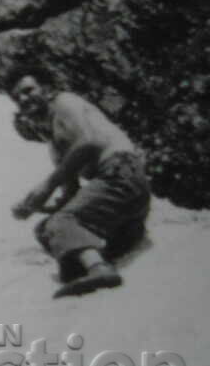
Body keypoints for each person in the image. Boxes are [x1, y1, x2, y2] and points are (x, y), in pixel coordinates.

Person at [8, 66, 151, 298]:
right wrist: (35, 205)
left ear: (46, 88)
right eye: (17, 98)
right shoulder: (54, 142)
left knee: (60, 223)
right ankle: (116, 242)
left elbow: (90, 141)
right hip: (120, 202)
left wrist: (47, 186)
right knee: (45, 229)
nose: (24, 99)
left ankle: (99, 269)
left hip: (122, 174)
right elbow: (71, 193)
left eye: (28, 90)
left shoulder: (65, 102)